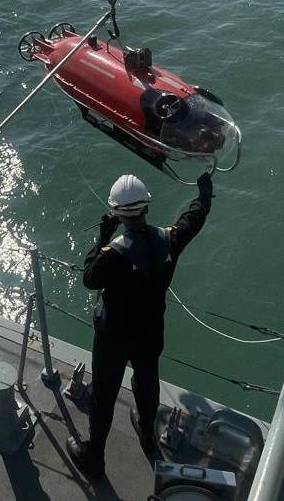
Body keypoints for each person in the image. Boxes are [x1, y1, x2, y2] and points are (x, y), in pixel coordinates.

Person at [65, 171, 214, 481]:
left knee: (104, 394)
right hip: (150, 332)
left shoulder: (113, 254)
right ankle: (148, 434)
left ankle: (95, 455)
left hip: (113, 338)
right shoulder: (169, 239)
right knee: (147, 382)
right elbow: (193, 220)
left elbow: (89, 276)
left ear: (117, 213)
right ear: (146, 207)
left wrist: (103, 236)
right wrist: (204, 195)